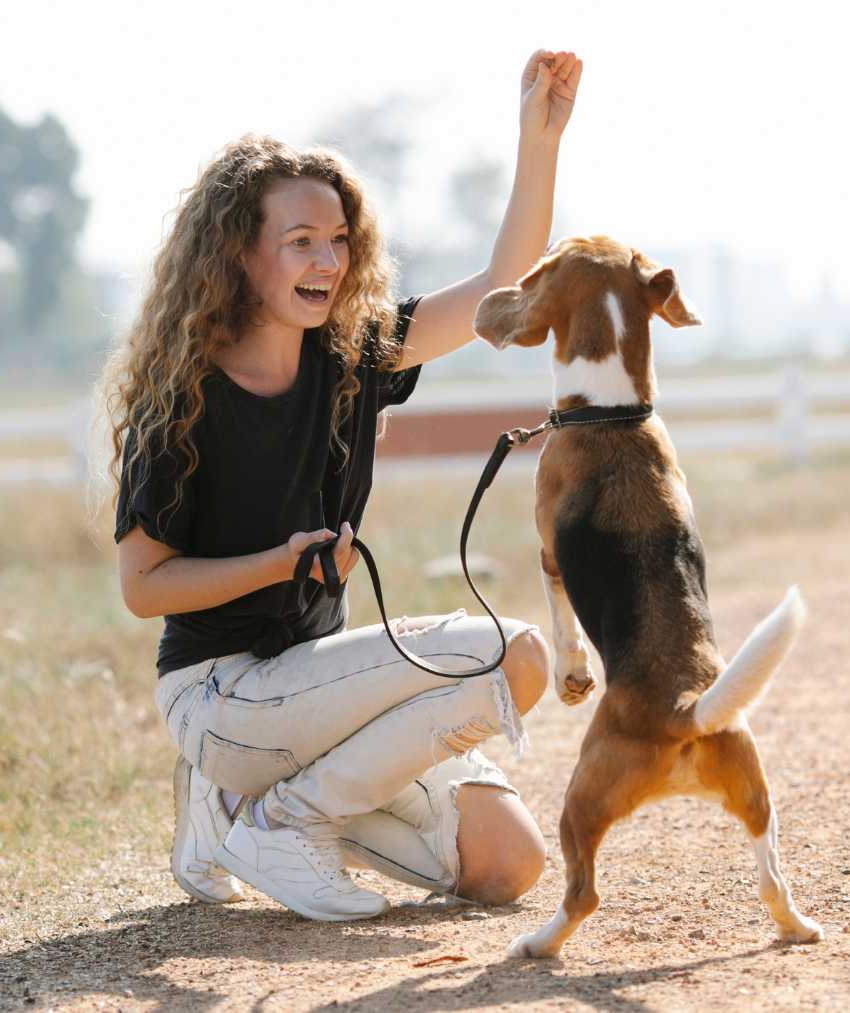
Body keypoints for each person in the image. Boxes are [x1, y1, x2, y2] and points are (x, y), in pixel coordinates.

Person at [98, 50, 583, 921]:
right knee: (518, 653)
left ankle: (235, 812)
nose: (327, 258)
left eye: (338, 239)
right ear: (240, 256)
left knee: (508, 865)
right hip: (221, 693)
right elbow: (142, 588)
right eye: (299, 241)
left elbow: (499, 289)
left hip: (315, 691)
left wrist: (537, 141)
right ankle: (280, 816)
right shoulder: (181, 400)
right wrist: (278, 562)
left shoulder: (353, 356)